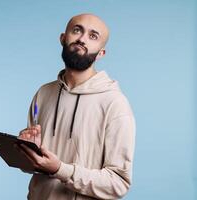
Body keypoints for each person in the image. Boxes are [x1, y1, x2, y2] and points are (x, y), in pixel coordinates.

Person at [17, 13, 136, 200]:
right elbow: (34, 167)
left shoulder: (115, 104)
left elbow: (118, 184)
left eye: (93, 36)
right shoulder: (43, 93)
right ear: (63, 38)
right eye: (77, 30)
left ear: (101, 53)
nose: (82, 39)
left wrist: (60, 170)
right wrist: (29, 152)